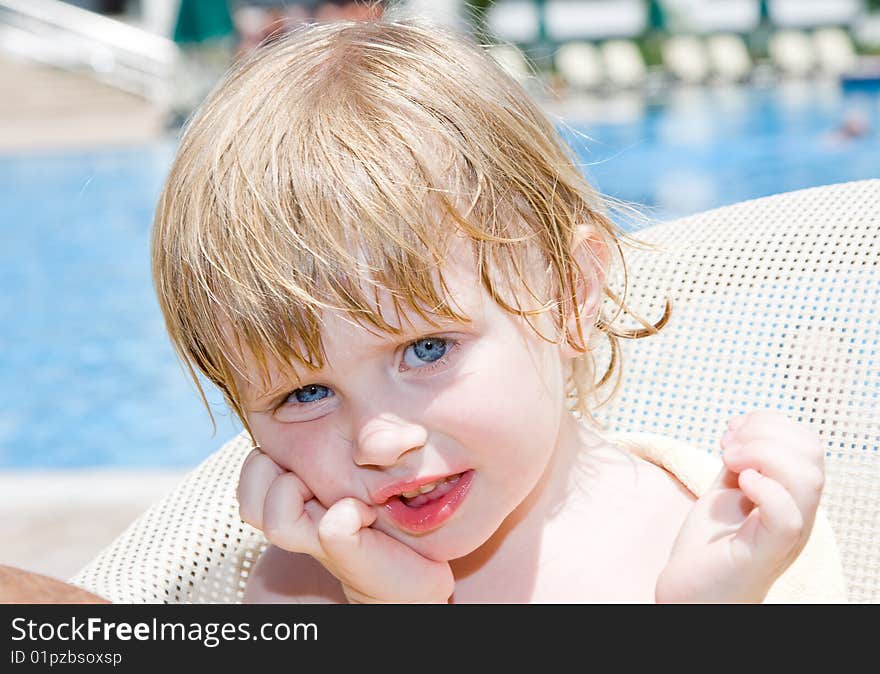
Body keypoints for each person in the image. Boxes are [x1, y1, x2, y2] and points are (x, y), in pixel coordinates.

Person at [150, 18, 845, 603]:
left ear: (569, 297)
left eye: (426, 349)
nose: (379, 442)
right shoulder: (302, 582)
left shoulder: (728, 540)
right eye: (306, 392)